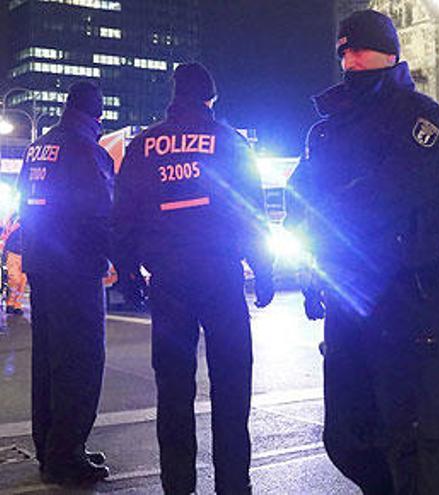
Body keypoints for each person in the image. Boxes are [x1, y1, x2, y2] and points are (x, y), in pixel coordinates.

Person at [288, 9, 439, 494]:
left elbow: (394, 195)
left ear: (390, 52)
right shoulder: (325, 130)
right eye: (344, 50)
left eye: (360, 48)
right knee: (347, 434)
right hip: (347, 299)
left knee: (416, 434)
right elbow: (300, 199)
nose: (350, 58)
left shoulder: (420, 118)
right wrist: (312, 269)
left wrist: (337, 217)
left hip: (405, 298)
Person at [112, 63, 275, 494]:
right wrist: (265, 269)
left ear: (175, 95)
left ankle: (178, 486)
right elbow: (250, 211)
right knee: (232, 386)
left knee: (173, 392)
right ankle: (233, 486)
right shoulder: (228, 141)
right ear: (211, 97)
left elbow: (123, 217)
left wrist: (129, 274)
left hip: (168, 281)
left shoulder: (145, 145)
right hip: (219, 276)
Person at [17, 81, 113, 485]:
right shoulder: (88, 150)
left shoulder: (39, 146)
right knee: (81, 363)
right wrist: (120, 259)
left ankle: (51, 447)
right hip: (76, 270)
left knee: (49, 362)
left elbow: (25, 200)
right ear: (98, 115)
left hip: (42, 265)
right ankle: (67, 454)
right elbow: (105, 212)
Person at [1, 214, 27, 315]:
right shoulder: (15, 221)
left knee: (22, 281)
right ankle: (10, 302)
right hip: (13, 253)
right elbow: (6, 236)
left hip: (26, 255)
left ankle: (17, 304)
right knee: (14, 279)